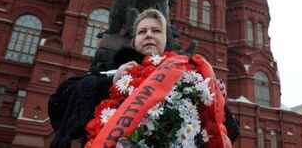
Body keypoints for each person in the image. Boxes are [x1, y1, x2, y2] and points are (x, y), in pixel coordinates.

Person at [49, 9, 240, 148]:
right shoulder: (113, 69)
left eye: (156, 31)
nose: (149, 35)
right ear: (134, 41)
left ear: (166, 40)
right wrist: (112, 81)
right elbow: (58, 105)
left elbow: (231, 133)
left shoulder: (187, 76)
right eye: (142, 31)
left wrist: (218, 102)